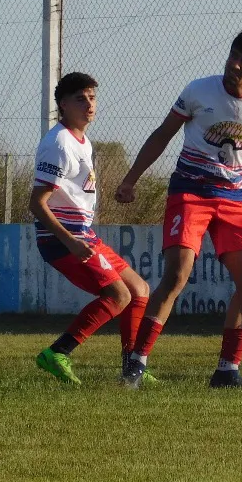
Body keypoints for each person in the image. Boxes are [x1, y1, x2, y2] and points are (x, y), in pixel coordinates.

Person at [116, 30, 242, 388]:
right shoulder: (199, 90)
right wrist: (131, 179)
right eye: (233, 55)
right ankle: (136, 364)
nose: (233, 64)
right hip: (190, 192)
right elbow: (163, 134)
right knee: (177, 275)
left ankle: (227, 370)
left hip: (233, 200)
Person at [31, 72, 151, 385]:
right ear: (63, 105)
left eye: (92, 97)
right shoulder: (58, 144)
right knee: (118, 294)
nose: (89, 104)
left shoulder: (82, 141)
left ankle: (131, 369)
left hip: (83, 236)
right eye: (80, 98)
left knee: (139, 291)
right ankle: (58, 352)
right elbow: (37, 204)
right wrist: (70, 241)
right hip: (62, 242)